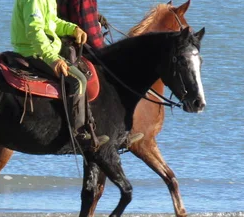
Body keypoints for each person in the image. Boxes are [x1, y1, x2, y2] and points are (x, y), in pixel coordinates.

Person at [11, 0, 109, 149]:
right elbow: (34, 30)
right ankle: (78, 134)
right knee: (78, 79)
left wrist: (73, 29)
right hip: (33, 51)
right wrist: (52, 59)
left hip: (45, 49)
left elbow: (53, 22)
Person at [56, 0, 144, 147]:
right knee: (118, 77)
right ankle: (116, 134)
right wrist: (107, 52)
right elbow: (91, 34)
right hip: (79, 46)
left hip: (64, 41)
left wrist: (95, 15)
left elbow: (73, 14)